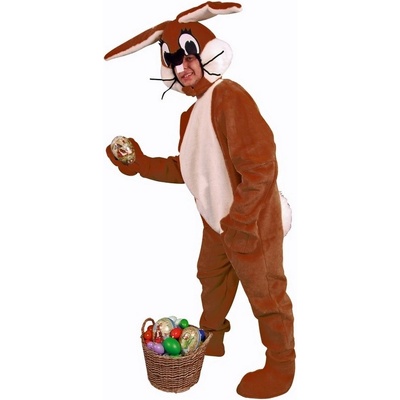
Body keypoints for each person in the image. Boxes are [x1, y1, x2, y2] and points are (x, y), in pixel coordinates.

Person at [105, 2, 295, 398]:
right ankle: (213, 337)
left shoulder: (230, 96)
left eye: (188, 54)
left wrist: (242, 221)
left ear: (207, 51)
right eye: (173, 60)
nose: (183, 66)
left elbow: (261, 166)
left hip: (250, 219)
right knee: (211, 278)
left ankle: (281, 366)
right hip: (217, 221)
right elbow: (186, 168)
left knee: (266, 292)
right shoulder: (189, 117)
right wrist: (140, 164)